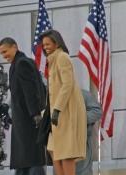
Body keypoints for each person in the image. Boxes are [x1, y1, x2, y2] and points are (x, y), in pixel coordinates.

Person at [40, 29, 87, 175]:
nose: (45, 47)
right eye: (43, 45)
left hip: (66, 112)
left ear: (56, 42)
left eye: (48, 44)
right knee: (53, 149)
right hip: (56, 114)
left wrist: (57, 109)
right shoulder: (53, 60)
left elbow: (67, 84)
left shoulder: (62, 57)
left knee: (66, 153)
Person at [0, 37, 46, 175]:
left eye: (5, 51)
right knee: (24, 159)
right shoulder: (18, 63)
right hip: (22, 119)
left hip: (28, 121)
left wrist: (36, 115)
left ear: (15, 47)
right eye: (2, 53)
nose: (4, 55)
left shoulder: (22, 63)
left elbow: (30, 91)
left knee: (31, 158)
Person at [76, 89, 102, 175]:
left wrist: (77, 119)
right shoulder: (53, 95)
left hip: (81, 143)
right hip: (60, 145)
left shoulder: (82, 94)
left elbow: (97, 112)